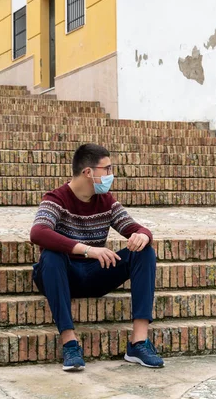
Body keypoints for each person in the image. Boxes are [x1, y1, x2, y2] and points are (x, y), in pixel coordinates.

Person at [30, 143, 164, 371]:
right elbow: (38, 232)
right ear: (88, 172)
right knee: (51, 256)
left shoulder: (107, 201)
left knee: (145, 252)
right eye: (107, 169)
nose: (111, 175)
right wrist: (88, 250)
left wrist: (143, 235)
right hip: (62, 275)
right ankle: (70, 343)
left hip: (94, 275)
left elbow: (136, 227)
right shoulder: (56, 199)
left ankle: (138, 342)